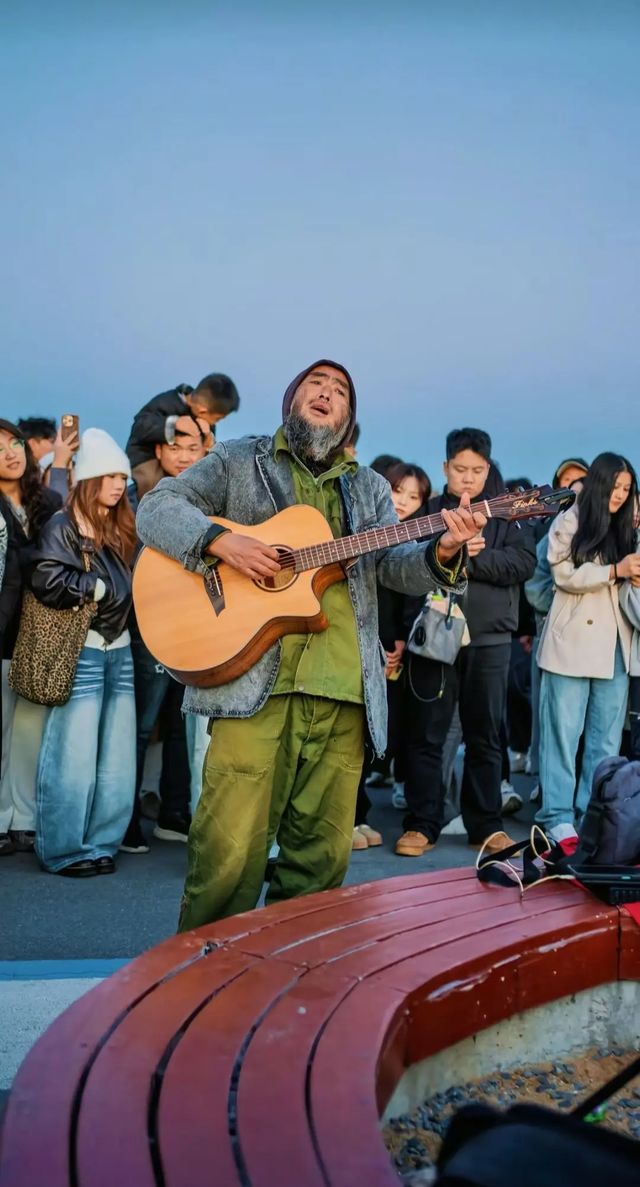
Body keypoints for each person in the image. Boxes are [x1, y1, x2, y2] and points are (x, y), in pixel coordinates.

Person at [136, 360, 483, 926]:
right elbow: (156, 508)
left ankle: (293, 976)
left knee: (319, 867)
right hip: (253, 691)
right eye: (315, 384)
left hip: (344, 692)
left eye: (340, 390)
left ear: (348, 417)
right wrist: (220, 542)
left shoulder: (369, 487)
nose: (326, 393)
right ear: (291, 399)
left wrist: (443, 551)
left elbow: (393, 566)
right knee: (227, 859)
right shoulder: (239, 460)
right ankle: (205, 974)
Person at [394, 430, 536, 858]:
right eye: (460, 469)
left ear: (488, 469)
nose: (468, 477)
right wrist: (447, 550)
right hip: (433, 635)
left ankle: (486, 827)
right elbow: (404, 570)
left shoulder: (507, 512)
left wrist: (474, 556)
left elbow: (524, 563)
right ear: (445, 468)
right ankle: (421, 824)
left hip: (490, 637)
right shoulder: (430, 513)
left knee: (485, 734)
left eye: (476, 470)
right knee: (426, 733)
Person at [29, 429, 137, 877]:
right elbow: (47, 579)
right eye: (108, 476)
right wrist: (97, 587)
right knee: (71, 755)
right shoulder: (64, 524)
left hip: (120, 647)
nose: (117, 484)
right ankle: (63, 849)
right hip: (85, 647)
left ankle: (101, 842)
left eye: (122, 477)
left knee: (117, 756)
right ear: (89, 478)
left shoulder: (119, 525)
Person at [536, 452, 640, 842]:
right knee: (562, 736)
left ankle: (593, 813)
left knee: (605, 741)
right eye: (615, 486)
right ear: (599, 484)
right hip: (571, 644)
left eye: (627, 488)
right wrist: (615, 570)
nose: (620, 495)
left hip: (616, 646)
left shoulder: (630, 528)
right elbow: (562, 575)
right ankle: (557, 816)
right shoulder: (571, 519)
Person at [121, 415, 209, 853]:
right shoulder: (140, 495)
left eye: (194, 448)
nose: (185, 456)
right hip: (149, 622)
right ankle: (126, 819)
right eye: (176, 447)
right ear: (159, 451)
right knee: (141, 725)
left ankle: (174, 813)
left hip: (194, 627)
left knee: (180, 724)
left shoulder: (209, 495)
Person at [352, 461, 432, 848]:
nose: (403, 502)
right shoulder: (367, 528)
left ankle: (361, 813)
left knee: (383, 733)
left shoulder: (417, 538)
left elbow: (413, 596)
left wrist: (399, 642)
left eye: (414, 497)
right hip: (363, 641)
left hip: (400, 651)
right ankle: (350, 818)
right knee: (354, 733)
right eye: (398, 491)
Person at [0, 420, 61, 857]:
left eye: (14, 443)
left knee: (28, 736)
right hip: (2, 635)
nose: (10, 453)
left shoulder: (48, 502)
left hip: (38, 636)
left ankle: (23, 818)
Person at [126, 373, 240, 495]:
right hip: (145, 454)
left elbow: (208, 448)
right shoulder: (165, 403)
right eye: (217, 419)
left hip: (186, 466)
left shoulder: (205, 419)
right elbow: (140, 426)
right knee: (151, 482)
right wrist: (174, 423)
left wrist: (209, 440)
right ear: (202, 411)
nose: (214, 423)